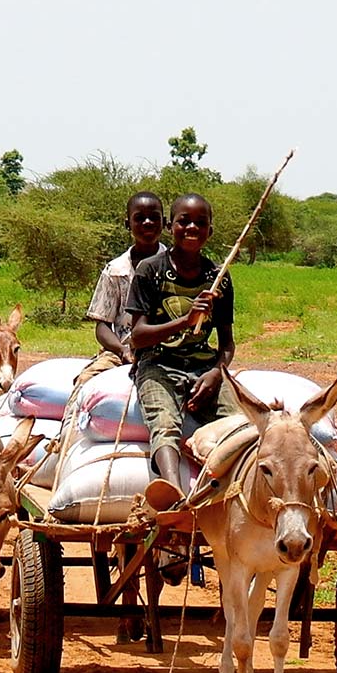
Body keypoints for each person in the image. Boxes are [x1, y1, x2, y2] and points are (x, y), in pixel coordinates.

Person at [126, 192, 238, 511]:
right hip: (158, 364)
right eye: (183, 221)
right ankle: (173, 492)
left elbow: (227, 343)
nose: (191, 228)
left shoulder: (218, 279)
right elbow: (138, 337)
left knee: (241, 425)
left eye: (200, 223)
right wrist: (185, 321)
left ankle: (232, 489)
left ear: (210, 231)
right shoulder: (150, 271)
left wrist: (216, 374)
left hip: (203, 368)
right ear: (169, 227)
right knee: (164, 423)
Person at [71, 191, 165, 388]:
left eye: (154, 217)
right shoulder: (115, 270)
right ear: (127, 224)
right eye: (139, 218)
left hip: (168, 351)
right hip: (121, 350)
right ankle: (70, 420)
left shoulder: (176, 266)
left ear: (164, 222)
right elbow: (102, 325)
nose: (147, 222)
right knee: (84, 382)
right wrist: (122, 350)